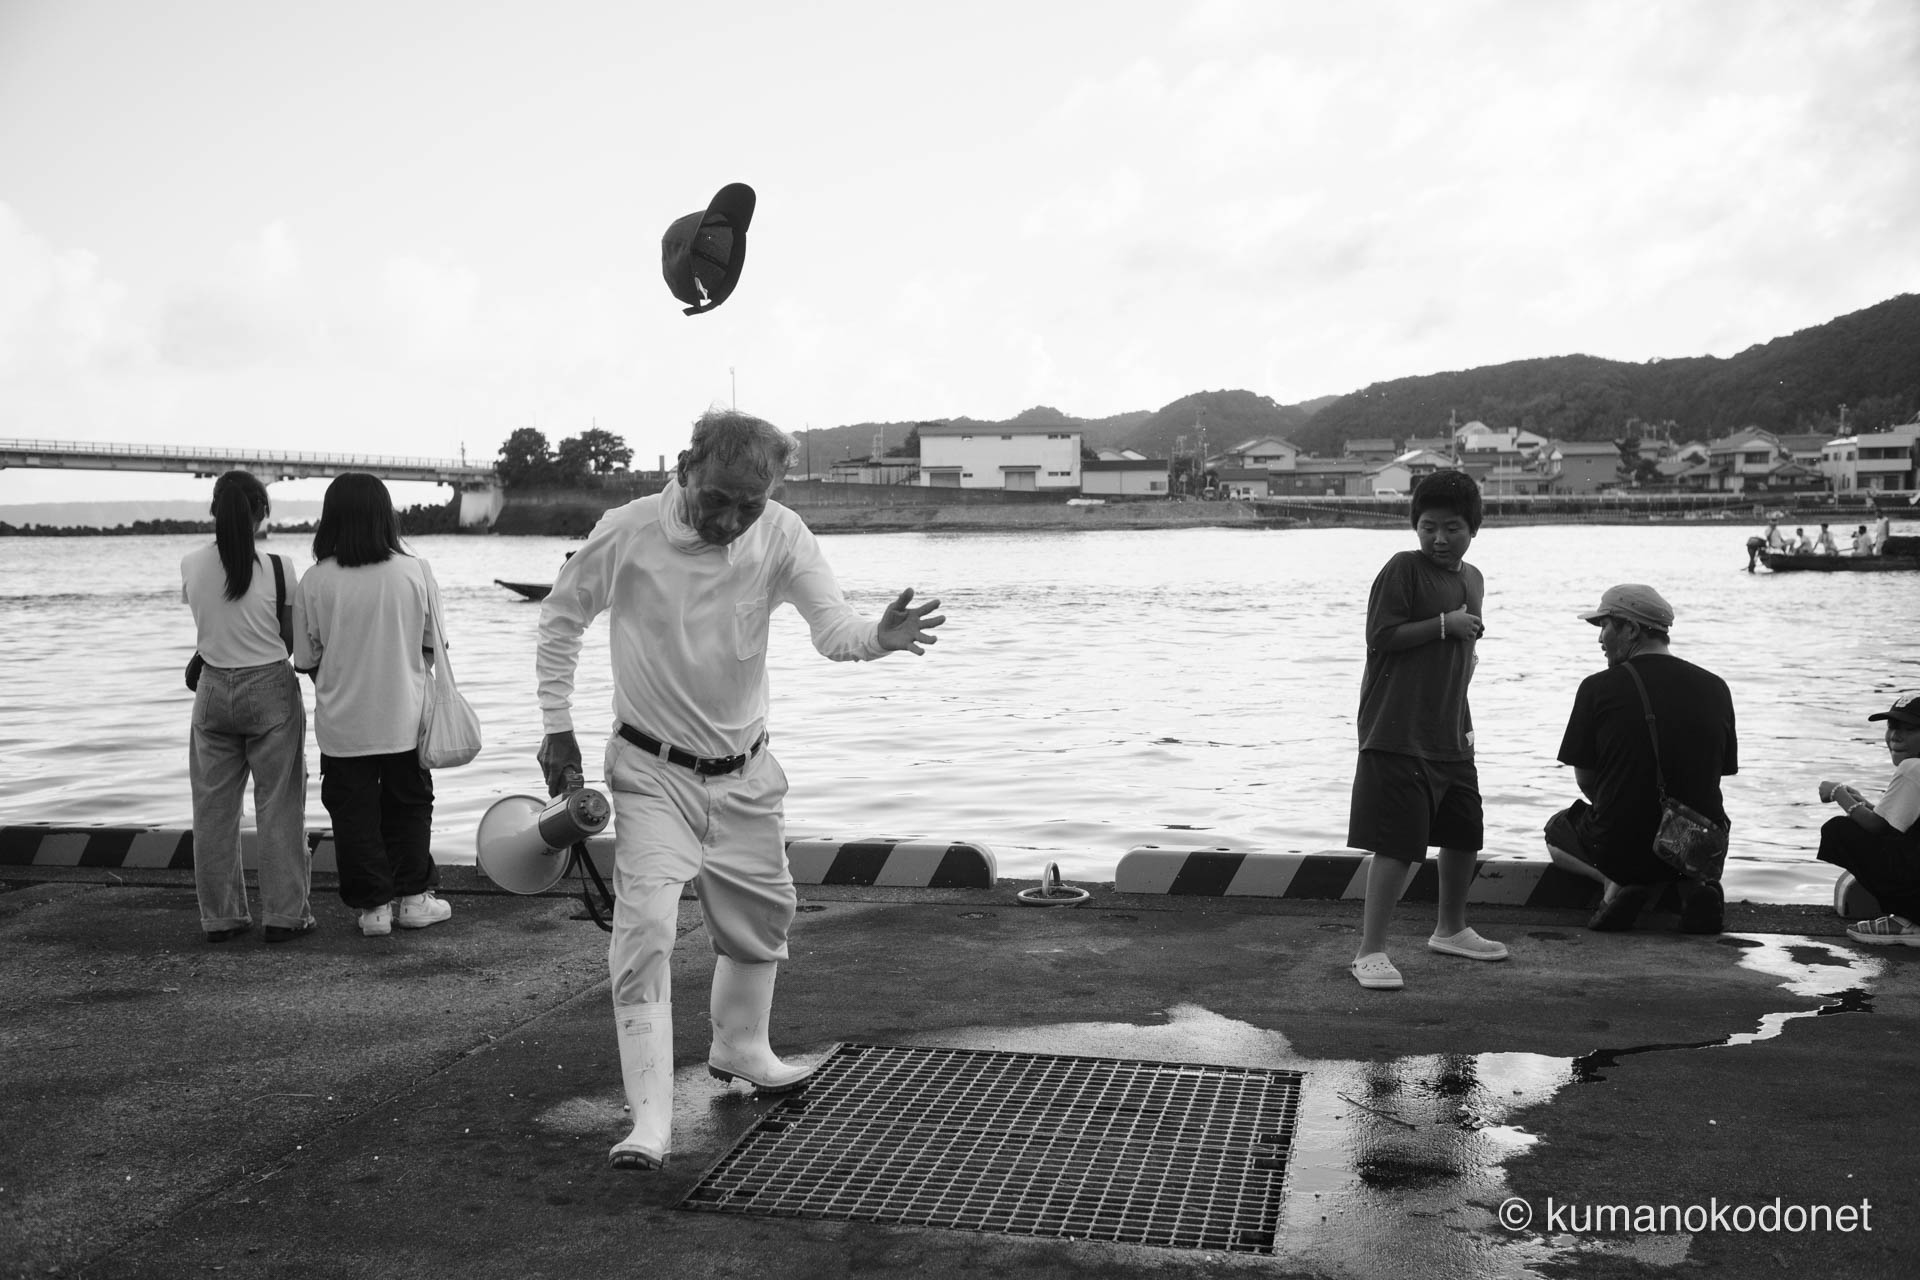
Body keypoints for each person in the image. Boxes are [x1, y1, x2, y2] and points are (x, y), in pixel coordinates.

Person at [534, 408, 946, 1170]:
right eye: (717, 497)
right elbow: (561, 621)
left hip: (746, 770)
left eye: (747, 504)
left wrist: (879, 639)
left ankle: (742, 1050)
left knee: (762, 915)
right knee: (648, 930)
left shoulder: (782, 533)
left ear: (772, 492)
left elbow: (832, 628)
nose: (729, 518)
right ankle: (650, 1120)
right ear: (687, 466)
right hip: (651, 769)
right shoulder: (626, 531)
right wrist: (556, 724)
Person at [1346, 469, 1508, 992]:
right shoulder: (1403, 570)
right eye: (1428, 527)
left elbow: (1467, 650)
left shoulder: (1474, 578)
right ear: (1415, 527)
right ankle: (1370, 951)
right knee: (1397, 844)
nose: (1439, 539)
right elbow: (1381, 636)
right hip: (1395, 731)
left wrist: (1463, 720)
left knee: (1463, 834)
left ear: (1474, 529)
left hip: (1451, 734)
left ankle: (1451, 929)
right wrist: (1444, 625)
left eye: (1452, 528)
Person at [293, 473, 451, 938]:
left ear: (331, 518)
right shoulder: (415, 571)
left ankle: (374, 909)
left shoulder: (315, 580)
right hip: (404, 713)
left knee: (353, 811)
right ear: (387, 516)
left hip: (343, 722)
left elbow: (306, 659)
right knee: (409, 802)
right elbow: (433, 645)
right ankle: (415, 900)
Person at [1544, 584, 1737, 934]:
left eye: (1604, 626)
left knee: (1558, 829)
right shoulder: (1716, 687)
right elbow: (1716, 775)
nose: (1600, 639)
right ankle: (1694, 887)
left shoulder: (1596, 688)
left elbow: (1586, 781)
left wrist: (1628, 810)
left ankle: (1612, 885)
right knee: (1689, 829)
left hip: (1621, 844)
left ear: (1631, 629)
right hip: (1695, 841)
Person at [180, 470, 312, 944]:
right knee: (279, 806)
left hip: (212, 692)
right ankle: (284, 916)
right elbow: (289, 642)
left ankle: (222, 918)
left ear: (215, 511)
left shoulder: (190, 564)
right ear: (260, 514)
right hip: (270, 691)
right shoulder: (281, 567)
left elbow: (209, 629)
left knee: (213, 813)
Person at [1816, 692, 1920, 946]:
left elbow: (1877, 827)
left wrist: (1838, 793)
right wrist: (1861, 802)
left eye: (1909, 729)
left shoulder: (1912, 768)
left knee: (1838, 830)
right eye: (1892, 727)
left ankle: (1910, 919)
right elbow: (1899, 825)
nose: (1895, 736)